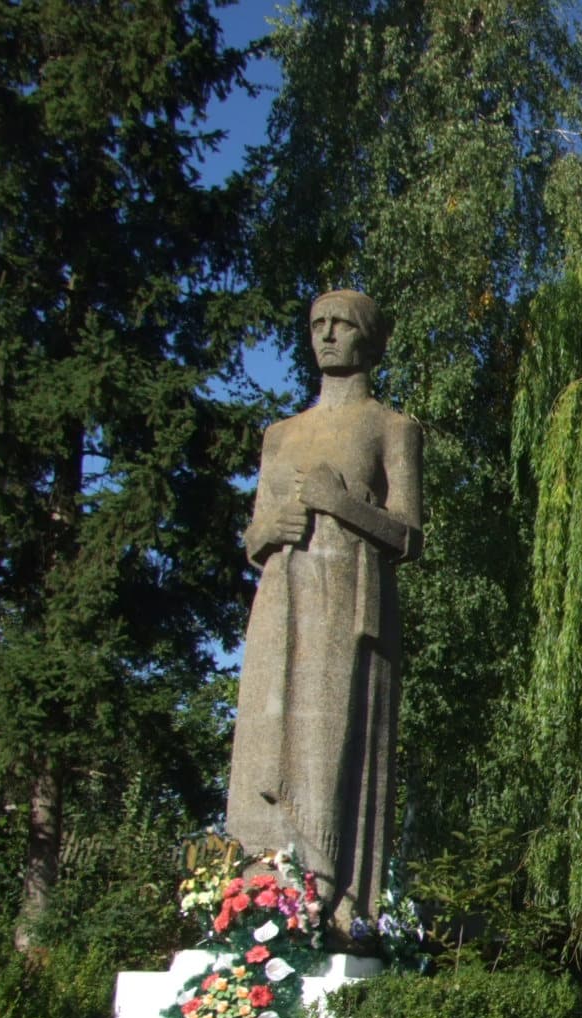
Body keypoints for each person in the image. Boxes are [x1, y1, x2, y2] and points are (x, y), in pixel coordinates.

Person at [225, 290, 423, 935]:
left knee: (327, 744)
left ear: (370, 338)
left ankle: (326, 896)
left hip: (347, 602)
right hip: (280, 600)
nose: (327, 335)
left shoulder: (391, 427)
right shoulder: (280, 435)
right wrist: (267, 532)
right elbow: (256, 531)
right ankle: (257, 895)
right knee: (265, 733)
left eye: (342, 324)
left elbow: (409, 536)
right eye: (318, 325)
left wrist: (341, 504)